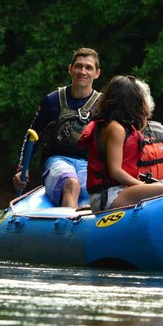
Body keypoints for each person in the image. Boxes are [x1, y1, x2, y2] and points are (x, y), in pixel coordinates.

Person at [13, 47, 102, 208]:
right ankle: (69, 229)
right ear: (70, 69)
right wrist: (22, 168)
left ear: (97, 73)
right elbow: (32, 135)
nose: (83, 71)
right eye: (78, 66)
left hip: (88, 164)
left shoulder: (103, 105)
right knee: (71, 184)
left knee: (94, 195)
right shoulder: (52, 101)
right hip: (57, 161)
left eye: (88, 67)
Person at [77, 75, 163, 209]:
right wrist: (142, 186)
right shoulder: (115, 128)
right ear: (129, 102)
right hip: (108, 195)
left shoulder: (116, 125)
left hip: (113, 192)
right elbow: (115, 171)